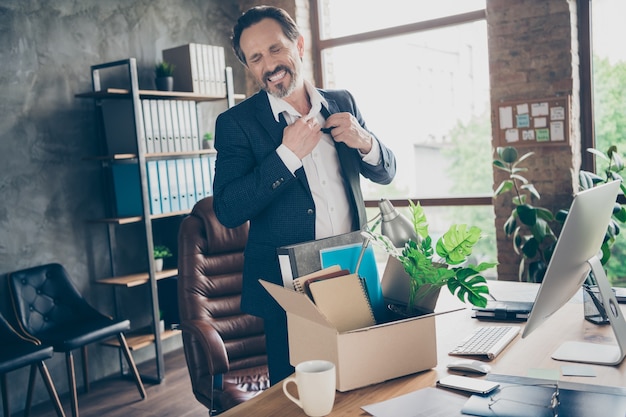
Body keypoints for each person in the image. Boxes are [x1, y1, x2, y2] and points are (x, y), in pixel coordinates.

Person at [212, 5, 397, 385]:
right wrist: (286, 156)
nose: (269, 64)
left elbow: (387, 171)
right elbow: (228, 209)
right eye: (256, 58)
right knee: (300, 396)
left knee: (367, 381)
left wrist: (365, 142)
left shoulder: (342, 101)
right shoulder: (236, 124)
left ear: (298, 44)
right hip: (288, 294)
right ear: (249, 66)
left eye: (276, 49)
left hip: (353, 275)